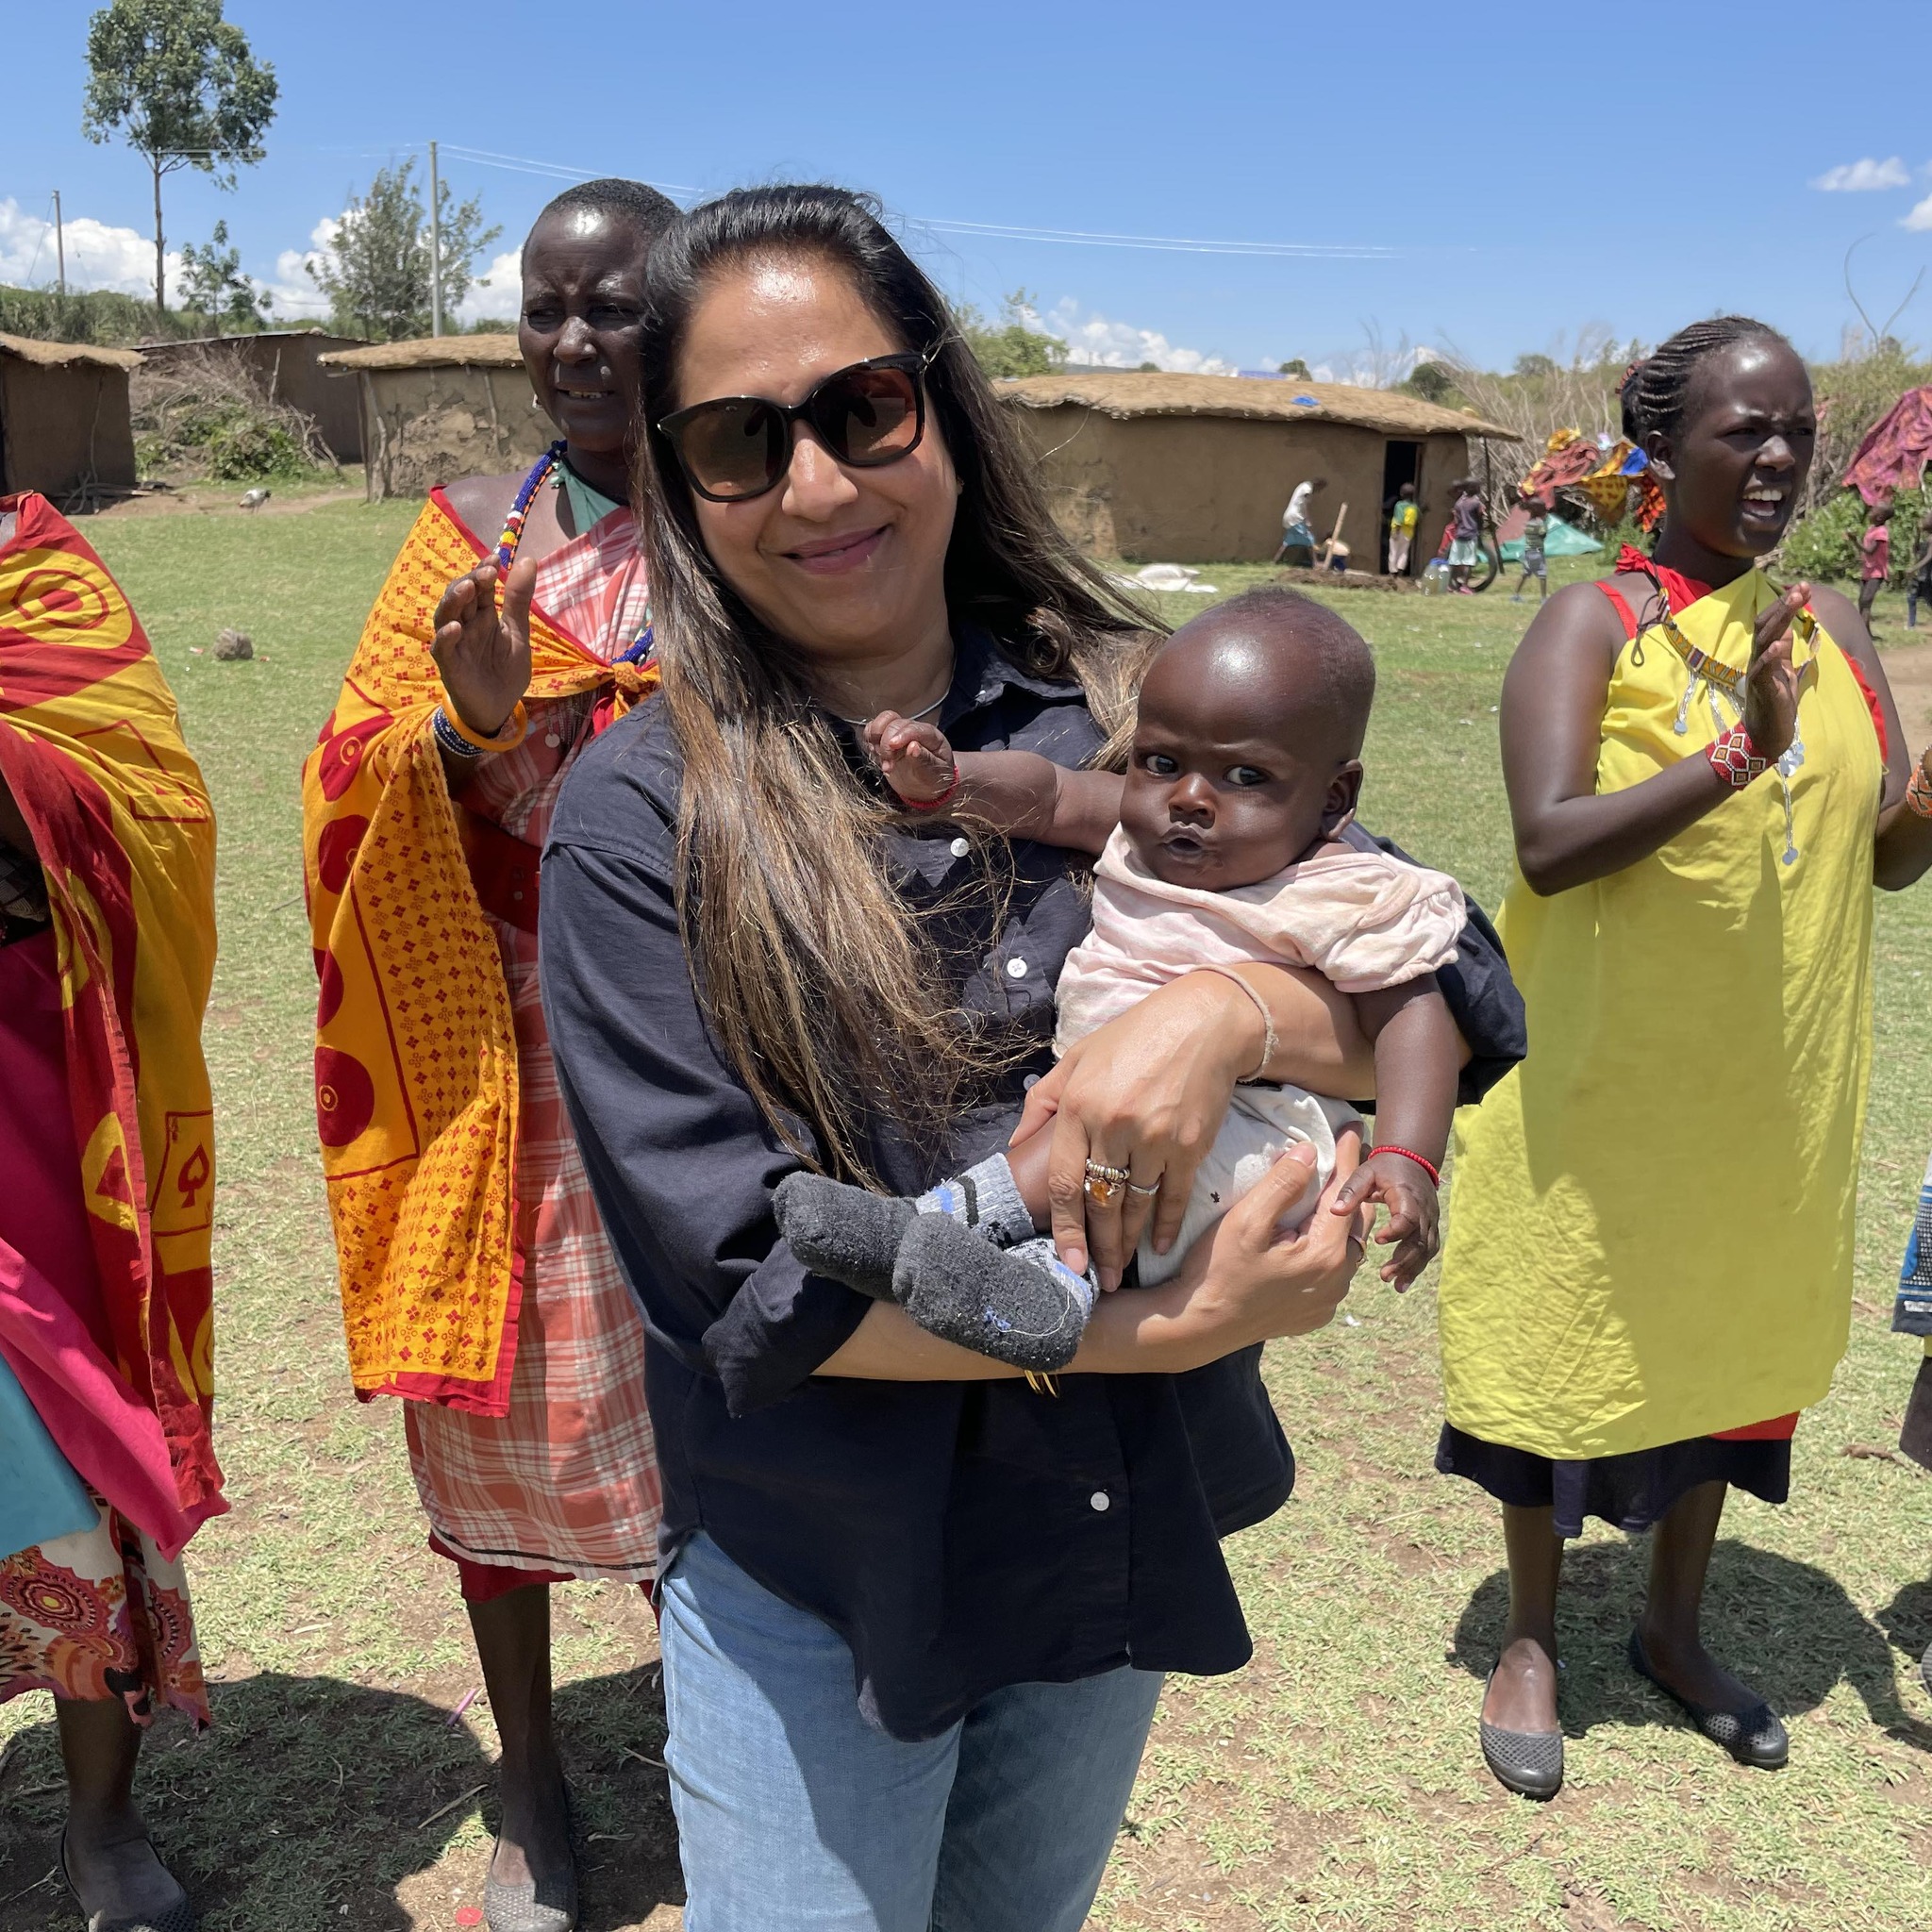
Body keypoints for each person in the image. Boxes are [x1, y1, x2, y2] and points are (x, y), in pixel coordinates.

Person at [533, 184, 1525, 1932]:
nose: (821, 484)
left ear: (938, 403)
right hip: (815, 1570)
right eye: (739, 443)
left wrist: (1217, 1018)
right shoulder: (639, 818)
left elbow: (1449, 974)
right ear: (679, 487)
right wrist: (1184, 1321)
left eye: (860, 410)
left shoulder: (1128, 731)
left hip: (1095, 1520)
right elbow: (749, 1288)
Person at [1435, 315, 1932, 1802]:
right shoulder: (1597, 623)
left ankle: (1672, 1625)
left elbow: (1891, 856)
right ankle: (1530, 1636)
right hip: (1605, 1076)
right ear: (1667, 450)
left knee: (1727, 1332)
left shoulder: (1837, 625)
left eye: (1796, 431)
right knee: (1563, 1319)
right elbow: (1546, 840)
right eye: (1745, 431)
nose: (1780, 457)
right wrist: (1735, 751)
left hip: (1771, 1080)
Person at [303, 176, 677, 1932]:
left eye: (615, 305)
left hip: (705, 1031)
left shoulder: (754, 516)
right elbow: (346, 785)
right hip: (503, 1032)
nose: (577, 342)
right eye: (545, 306)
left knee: (724, 1393)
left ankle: (727, 1727)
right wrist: (464, 724)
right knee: (502, 1414)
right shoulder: (468, 531)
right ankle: (526, 1778)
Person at [779, 589, 1465, 1368]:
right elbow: (1049, 793)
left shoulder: (1339, 891)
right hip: (1128, 1136)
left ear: (1334, 800)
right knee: (1075, 1155)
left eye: (1245, 775)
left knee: (1070, 1142)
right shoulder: (1144, 836)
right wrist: (946, 782)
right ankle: (1043, 1296)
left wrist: (1409, 1157)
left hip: (1254, 1138)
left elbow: (1417, 1017)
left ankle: (928, 1225)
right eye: (1162, 762)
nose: (1190, 799)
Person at [0, 492, 223, 1930]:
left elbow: (152, 804)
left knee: (59, 1443)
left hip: (31, 1075)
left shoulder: (37, 582)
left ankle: (98, 1817)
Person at [1274, 474, 1324, 566]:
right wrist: (1307, 519)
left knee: (1288, 541)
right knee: (1310, 539)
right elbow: (1305, 504)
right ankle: (1315, 563)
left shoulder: (1303, 486)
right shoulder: (1307, 489)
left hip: (1289, 516)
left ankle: (1275, 561)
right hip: (1295, 517)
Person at [1859, 502, 1893, 631]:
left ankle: (1863, 634)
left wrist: (1854, 541)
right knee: (1862, 601)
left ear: (1879, 517)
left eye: (1873, 511)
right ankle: (1866, 632)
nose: (1870, 513)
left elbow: (1870, 551)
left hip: (1877, 573)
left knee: (1866, 601)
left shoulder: (1881, 532)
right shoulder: (1871, 529)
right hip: (1867, 571)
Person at [1447, 479, 1484, 592]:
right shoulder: (1476, 503)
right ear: (1473, 489)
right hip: (1470, 534)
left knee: (1454, 561)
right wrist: (1481, 528)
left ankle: (1450, 584)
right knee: (1469, 562)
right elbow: (1479, 518)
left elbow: (1457, 520)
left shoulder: (1459, 502)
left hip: (1459, 534)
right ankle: (1465, 586)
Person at [1510, 497, 1549, 604]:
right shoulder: (1539, 522)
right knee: (1542, 574)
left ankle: (1516, 595)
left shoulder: (1528, 522)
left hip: (1528, 551)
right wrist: (1545, 524)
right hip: (1537, 552)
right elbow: (1542, 534)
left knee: (1525, 573)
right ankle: (1543, 598)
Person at [1387, 482, 1418, 575]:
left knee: (1394, 551)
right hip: (1408, 533)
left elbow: (1399, 520)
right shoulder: (1414, 507)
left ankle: (1393, 571)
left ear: (1401, 494)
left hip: (1398, 530)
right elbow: (1418, 517)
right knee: (1404, 552)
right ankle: (1400, 570)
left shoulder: (1399, 505)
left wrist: (1396, 531)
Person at [1907, 526, 1932, 629]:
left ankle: (1911, 625)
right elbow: (1915, 550)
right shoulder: (1926, 538)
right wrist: (1917, 535)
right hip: (1921, 575)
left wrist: (1914, 568)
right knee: (1911, 598)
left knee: (1929, 600)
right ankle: (1911, 625)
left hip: (1928, 576)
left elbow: (1929, 556)